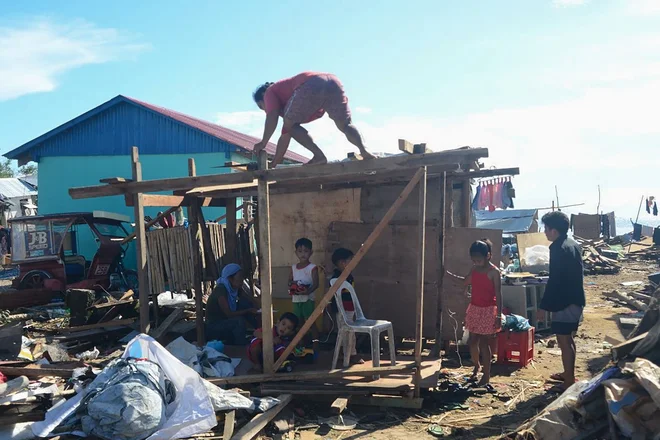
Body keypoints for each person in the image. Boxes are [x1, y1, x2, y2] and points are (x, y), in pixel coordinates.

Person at [252, 72, 375, 167]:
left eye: (262, 106)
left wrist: (263, 143)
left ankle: (318, 156)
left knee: (290, 125)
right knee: (345, 124)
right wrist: (274, 164)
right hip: (334, 82)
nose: (265, 110)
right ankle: (365, 151)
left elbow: (271, 117)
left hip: (311, 84)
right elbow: (285, 135)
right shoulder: (289, 102)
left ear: (264, 97)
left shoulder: (269, 92)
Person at [539, 211, 585, 392]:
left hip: (566, 301)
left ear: (554, 230)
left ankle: (569, 382)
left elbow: (555, 280)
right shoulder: (573, 244)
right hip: (574, 298)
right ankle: (568, 374)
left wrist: (543, 306)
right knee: (568, 339)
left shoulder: (559, 248)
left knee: (564, 341)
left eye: (546, 229)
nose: (545, 232)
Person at [449, 239, 502, 388]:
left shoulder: (494, 272)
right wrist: (448, 275)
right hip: (474, 309)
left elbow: (499, 294)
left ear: (488, 256)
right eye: (474, 260)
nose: (477, 263)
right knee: (473, 341)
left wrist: (498, 316)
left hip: (488, 310)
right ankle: (476, 365)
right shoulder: (474, 269)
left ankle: (486, 375)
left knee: (485, 344)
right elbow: (464, 282)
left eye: (479, 260)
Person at [205, 263, 260, 345]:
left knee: (244, 303)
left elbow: (249, 299)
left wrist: (259, 307)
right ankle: (240, 346)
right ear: (230, 278)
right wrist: (248, 310)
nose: (242, 279)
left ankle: (260, 331)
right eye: (240, 277)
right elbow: (229, 314)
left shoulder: (234, 287)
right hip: (214, 326)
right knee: (239, 321)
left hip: (225, 320)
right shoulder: (221, 290)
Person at [329, 248, 364, 365]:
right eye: (351, 260)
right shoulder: (338, 277)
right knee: (348, 332)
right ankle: (351, 354)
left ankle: (343, 353)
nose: (353, 263)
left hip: (349, 309)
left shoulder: (347, 276)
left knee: (344, 331)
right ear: (342, 263)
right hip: (343, 310)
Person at [289, 238, 320, 354]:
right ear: (296, 252)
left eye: (306, 251)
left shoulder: (312, 267)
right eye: (300, 251)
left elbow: (316, 284)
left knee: (310, 322)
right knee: (298, 322)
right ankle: (300, 343)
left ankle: (316, 343)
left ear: (311, 252)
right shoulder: (293, 267)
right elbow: (290, 281)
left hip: (308, 299)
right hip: (296, 298)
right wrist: (293, 287)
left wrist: (307, 291)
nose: (303, 254)